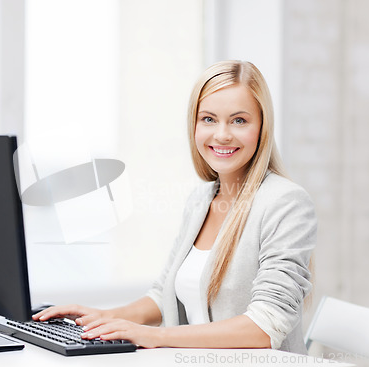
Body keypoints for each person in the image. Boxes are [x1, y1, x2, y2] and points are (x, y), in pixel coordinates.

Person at [33, 60, 317, 353]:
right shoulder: (202, 200)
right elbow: (163, 295)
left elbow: (265, 327)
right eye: (208, 119)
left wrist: (154, 336)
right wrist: (104, 317)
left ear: (262, 128)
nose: (222, 134)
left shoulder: (286, 203)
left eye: (239, 120)